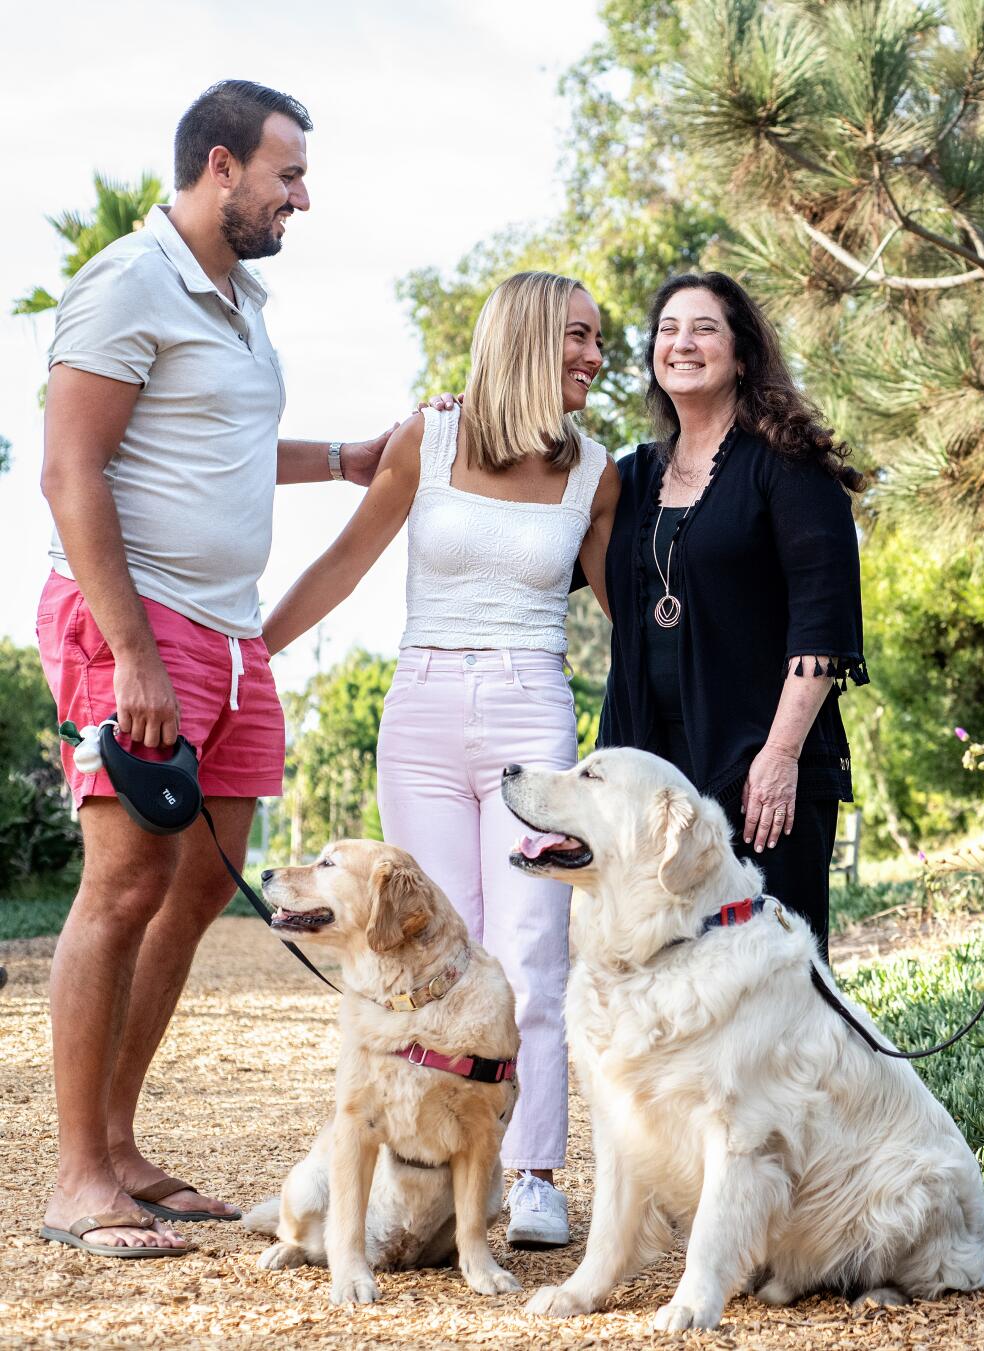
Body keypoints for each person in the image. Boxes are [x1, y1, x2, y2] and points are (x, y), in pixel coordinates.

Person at [34, 80, 395, 1258]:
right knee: (124, 888)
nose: (303, 196)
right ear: (222, 166)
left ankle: (122, 1143)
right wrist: (130, 651)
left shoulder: (240, 297)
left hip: (230, 635)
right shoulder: (130, 282)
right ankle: (76, 1175)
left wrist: (344, 457)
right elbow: (71, 475)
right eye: (288, 175)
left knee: (200, 888)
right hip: (140, 620)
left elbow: (222, 441)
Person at [261, 271, 618, 1249]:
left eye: (597, 339)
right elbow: (342, 561)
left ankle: (533, 1171)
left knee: (533, 955)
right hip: (419, 709)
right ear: (527, 341)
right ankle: (427, 1183)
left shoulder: (596, 471)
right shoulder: (431, 439)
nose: (595, 355)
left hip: (529, 708)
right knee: (422, 954)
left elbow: (633, 618)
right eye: (578, 337)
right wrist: (252, 654)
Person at [593, 272, 865, 950]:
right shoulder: (629, 477)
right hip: (652, 769)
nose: (681, 343)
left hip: (762, 762)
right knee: (662, 965)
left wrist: (780, 756)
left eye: (704, 328)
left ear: (742, 354)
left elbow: (821, 625)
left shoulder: (789, 462)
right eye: (668, 330)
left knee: (772, 971)